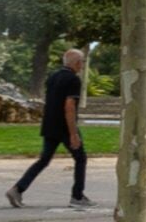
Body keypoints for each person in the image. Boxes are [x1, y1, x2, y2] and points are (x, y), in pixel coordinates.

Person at [8, 45, 91, 208]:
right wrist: (73, 133)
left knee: (44, 160)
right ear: (76, 63)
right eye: (82, 62)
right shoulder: (73, 80)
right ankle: (77, 196)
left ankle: (18, 189)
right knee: (80, 158)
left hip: (50, 124)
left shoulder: (53, 76)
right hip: (65, 126)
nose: (82, 65)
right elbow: (69, 106)